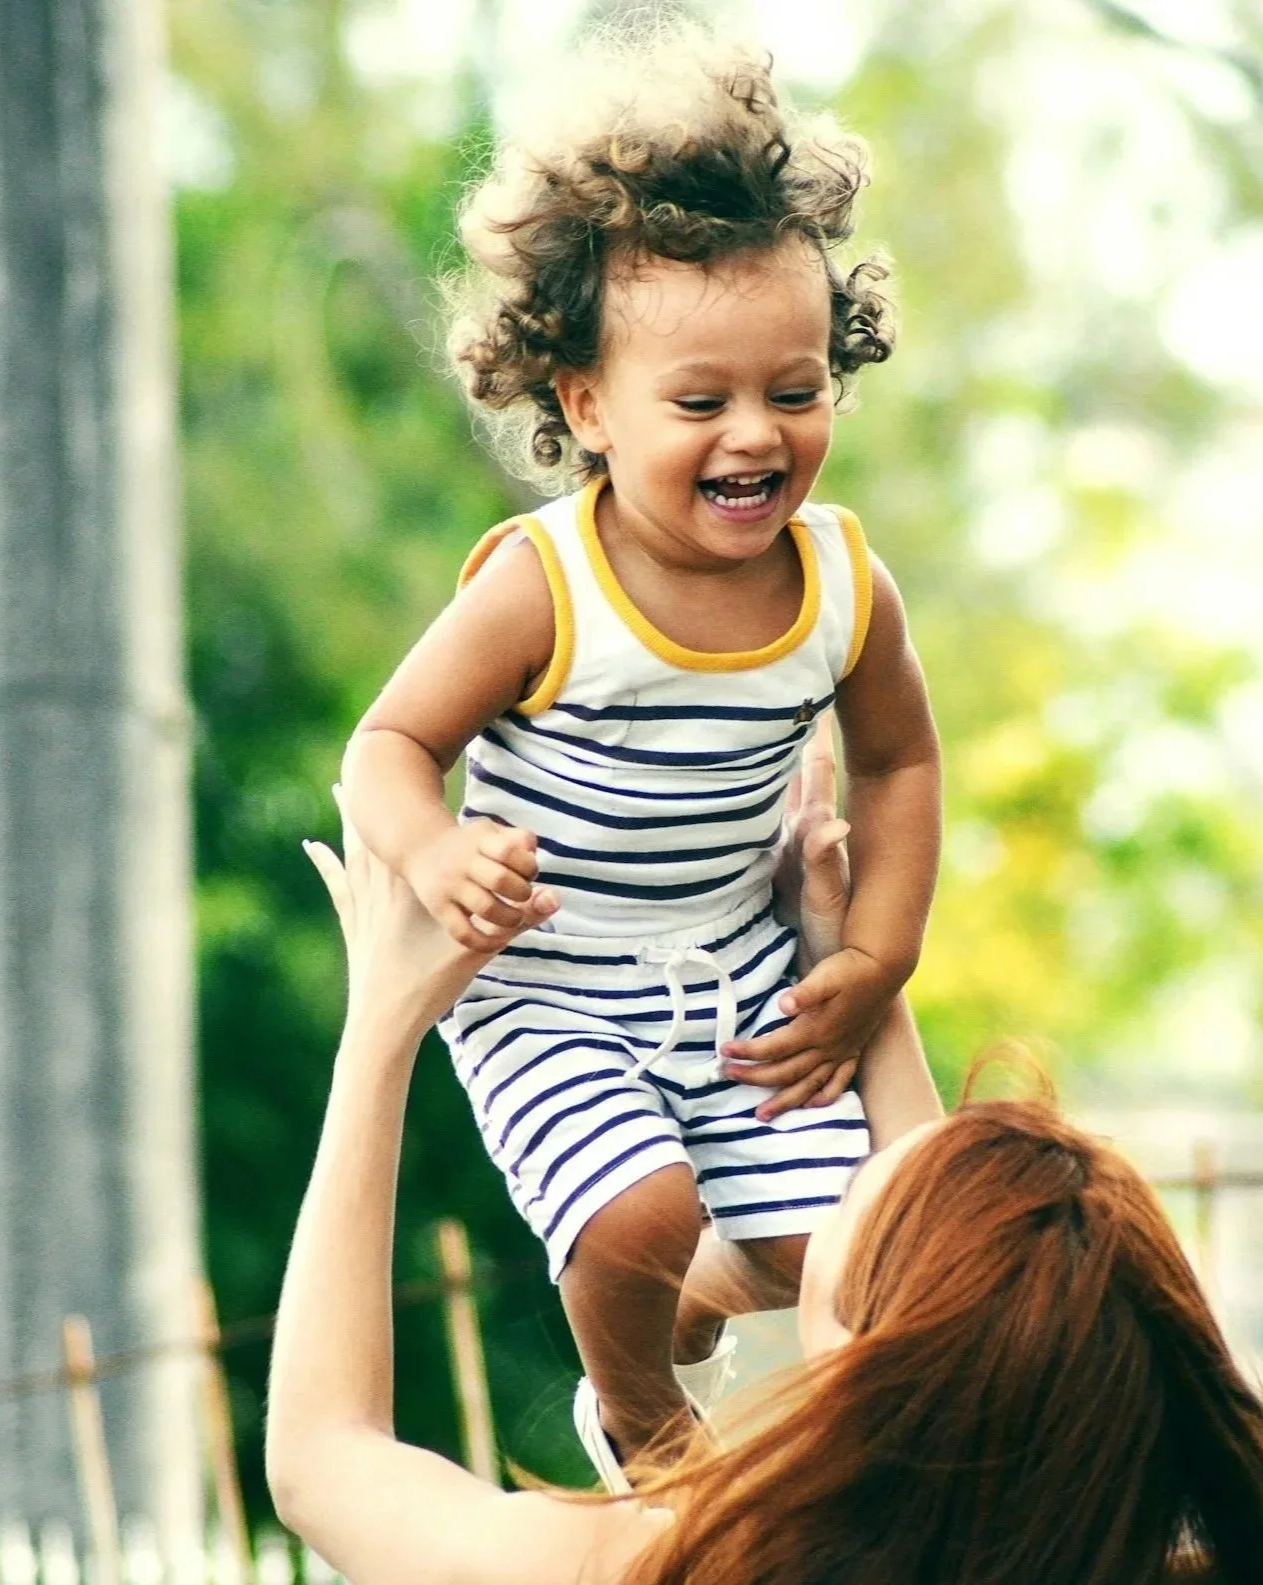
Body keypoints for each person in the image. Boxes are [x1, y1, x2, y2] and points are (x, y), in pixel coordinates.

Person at [338, 29, 940, 1485]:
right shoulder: (544, 587)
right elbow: (386, 744)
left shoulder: (842, 586)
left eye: (794, 390)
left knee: (829, 1253)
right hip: (546, 979)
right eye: (699, 402)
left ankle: (683, 1299)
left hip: (731, 966)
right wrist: (434, 850)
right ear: (586, 404)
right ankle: (644, 1426)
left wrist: (875, 956)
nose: (754, 436)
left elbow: (901, 765)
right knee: (633, 1214)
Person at [267, 784, 1263, 1585]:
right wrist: (844, 967)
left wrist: (381, 1028)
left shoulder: (655, 1567)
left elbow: (323, 1458)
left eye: (853, 1199)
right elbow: (948, 1291)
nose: (850, 1168)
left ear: (867, 1360)